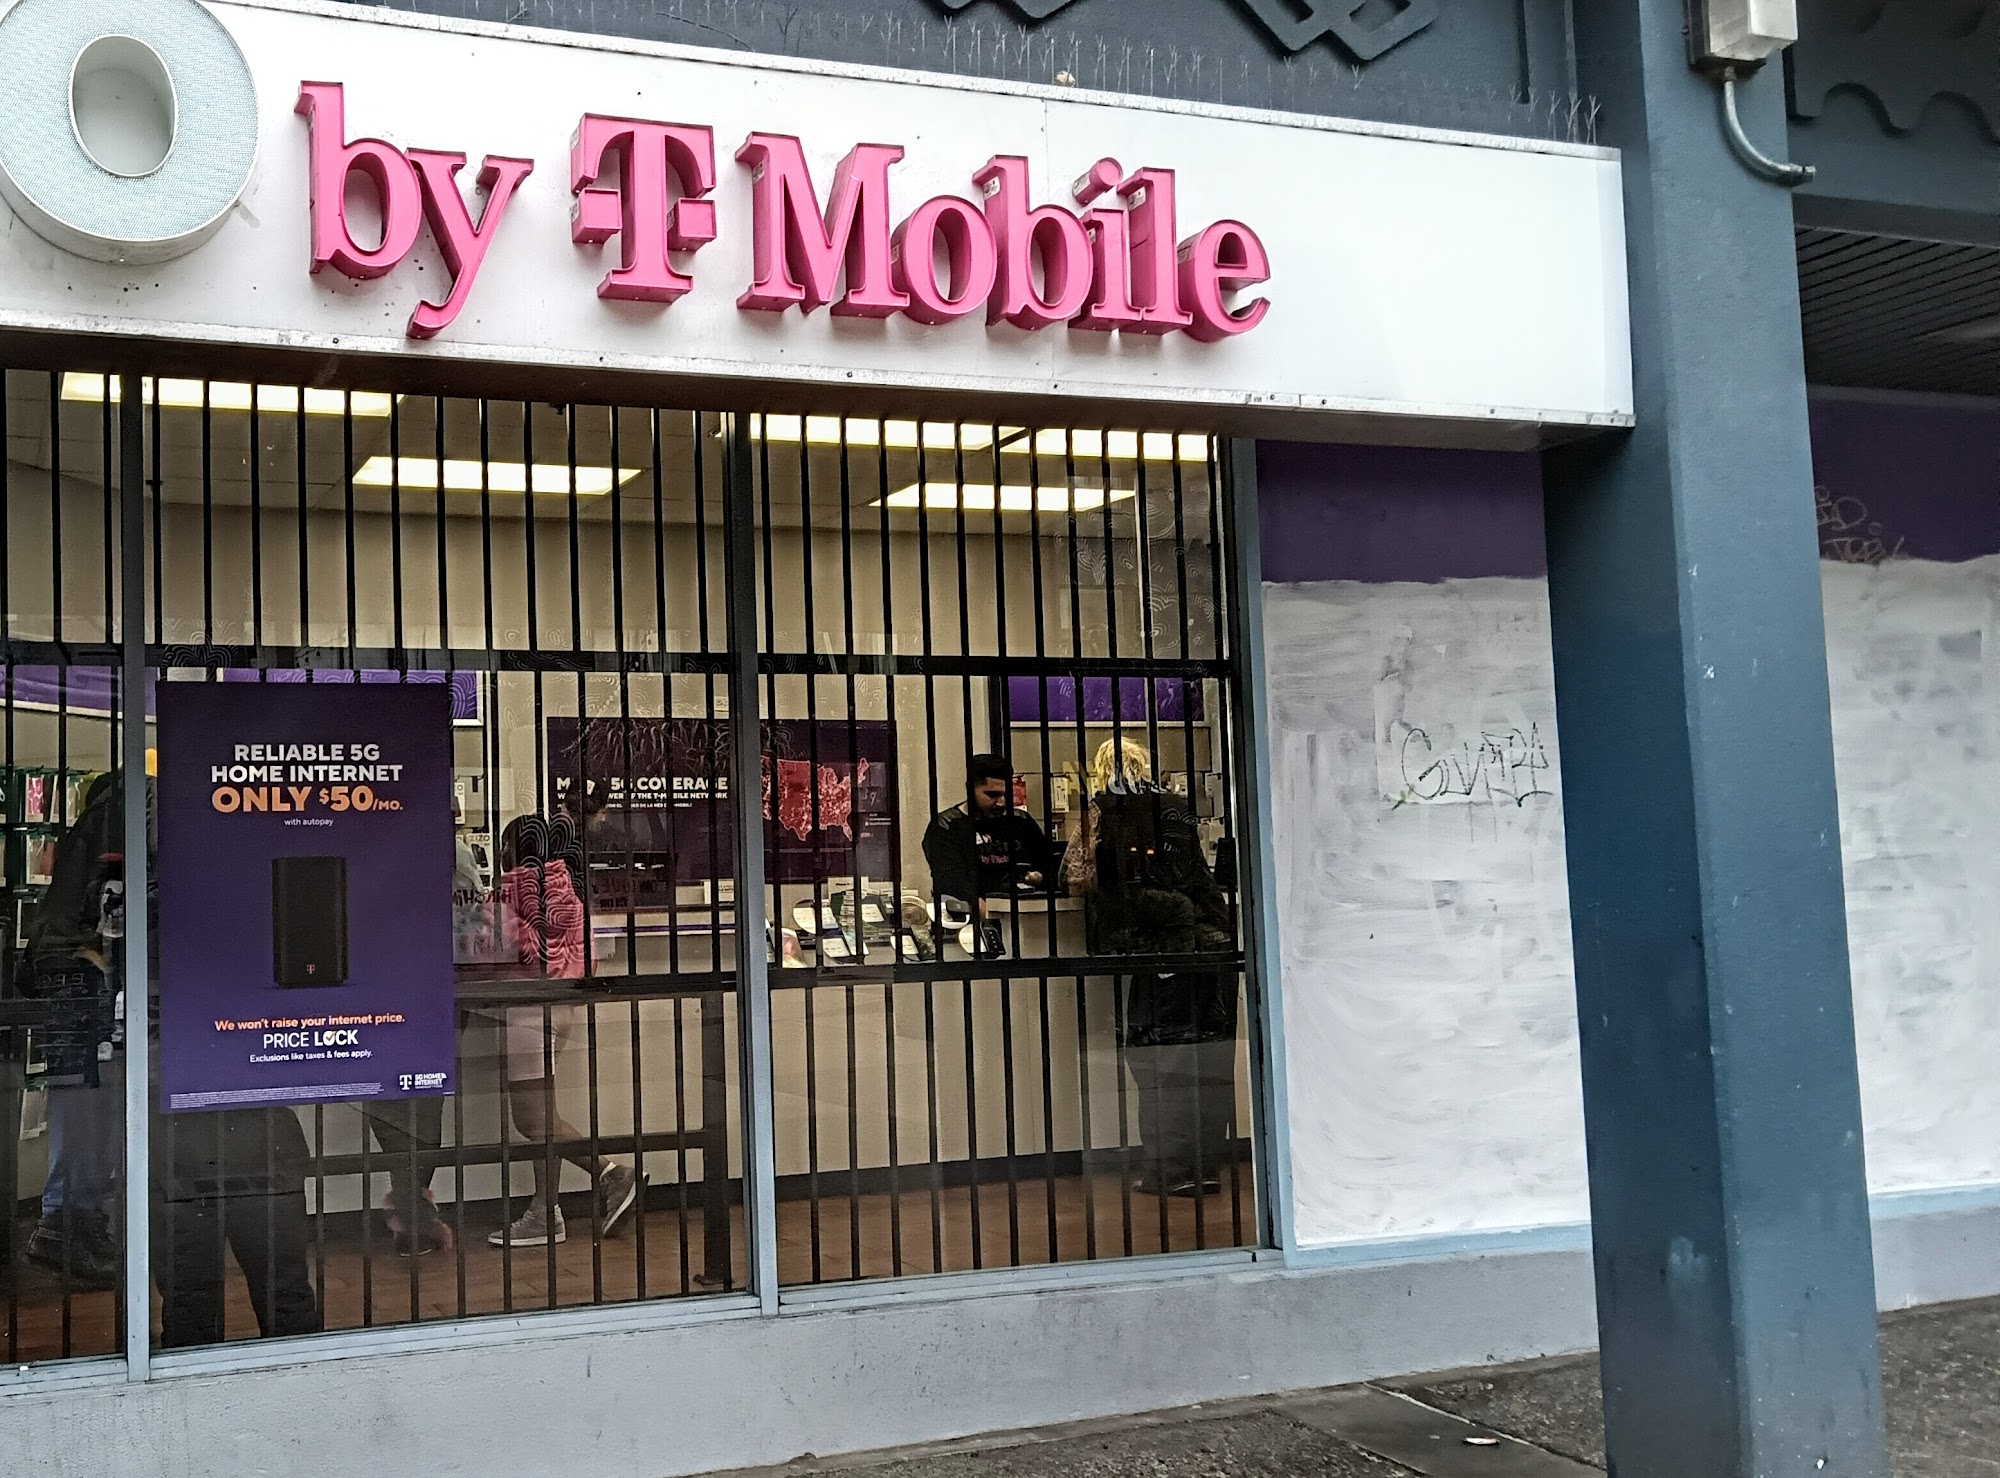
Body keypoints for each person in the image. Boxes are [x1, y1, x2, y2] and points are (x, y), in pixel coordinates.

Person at [1064, 738, 1238, 1199]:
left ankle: (1170, 1170)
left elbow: (1078, 878)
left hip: (1161, 951)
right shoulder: (1178, 810)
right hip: (1212, 947)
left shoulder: (1103, 814)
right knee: (1209, 1059)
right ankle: (1206, 1165)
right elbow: (1196, 875)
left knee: (1158, 1061)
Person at [488, 814, 642, 1249]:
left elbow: (486, 953)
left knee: (533, 1121)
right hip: (561, 1009)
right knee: (545, 1118)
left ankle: (611, 1174)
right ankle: (546, 1211)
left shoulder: (509, 894)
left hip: (525, 1013)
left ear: (512, 850)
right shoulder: (570, 891)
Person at [16, 772, 124, 1290]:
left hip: (67, 986)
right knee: (94, 1109)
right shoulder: (117, 827)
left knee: (80, 1107)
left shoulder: (85, 834)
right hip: (88, 985)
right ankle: (69, 1224)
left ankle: (68, 1224)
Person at [921, 753, 1051, 957]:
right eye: (992, 795)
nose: (1001, 802)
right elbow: (950, 878)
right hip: (963, 927)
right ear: (970, 789)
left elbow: (1048, 863)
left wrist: (1037, 877)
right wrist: (980, 907)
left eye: (1007, 795)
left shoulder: (1021, 821)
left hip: (1025, 924)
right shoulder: (946, 826)